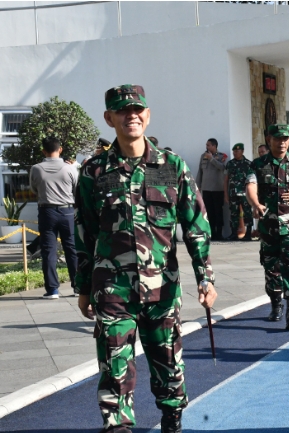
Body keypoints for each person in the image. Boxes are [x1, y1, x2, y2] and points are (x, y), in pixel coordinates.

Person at [74, 84, 217, 433]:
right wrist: (82, 287)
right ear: (110, 118)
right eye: (122, 111)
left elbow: (196, 225)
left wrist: (205, 277)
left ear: (148, 116)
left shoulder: (173, 166)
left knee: (168, 362)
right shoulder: (94, 172)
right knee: (113, 365)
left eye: (137, 110)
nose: (131, 116)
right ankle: (118, 426)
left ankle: (172, 417)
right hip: (113, 292)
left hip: (162, 291)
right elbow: (84, 234)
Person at [245, 124, 289, 329]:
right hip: (268, 226)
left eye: (285, 138)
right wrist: (255, 204)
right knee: (271, 267)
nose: (282, 142)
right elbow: (250, 186)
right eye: (278, 138)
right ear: (269, 139)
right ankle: (276, 303)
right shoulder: (257, 165)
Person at [29, 136, 78, 300]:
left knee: (48, 250)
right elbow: (76, 189)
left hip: (46, 211)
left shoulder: (36, 169)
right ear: (60, 149)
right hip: (67, 211)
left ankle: (52, 290)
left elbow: (34, 189)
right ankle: (78, 286)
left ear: (43, 151)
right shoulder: (70, 169)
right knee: (71, 249)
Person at [196, 138, 227, 240]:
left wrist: (211, 159)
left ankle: (219, 233)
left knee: (218, 211)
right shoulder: (203, 156)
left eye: (209, 145)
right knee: (209, 212)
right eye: (206, 145)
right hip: (206, 188)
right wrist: (198, 185)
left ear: (214, 146)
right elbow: (200, 172)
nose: (207, 147)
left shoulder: (222, 156)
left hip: (218, 189)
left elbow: (222, 167)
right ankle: (211, 232)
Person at [224, 143, 253, 241]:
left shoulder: (249, 164)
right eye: (234, 151)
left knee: (247, 212)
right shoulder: (230, 164)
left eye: (237, 151)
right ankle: (234, 233)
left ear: (242, 151)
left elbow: (252, 181)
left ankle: (248, 233)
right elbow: (226, 180)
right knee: (233, 213)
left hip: (245, 193)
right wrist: (226, 194)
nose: (235, 153)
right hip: (233, 193)